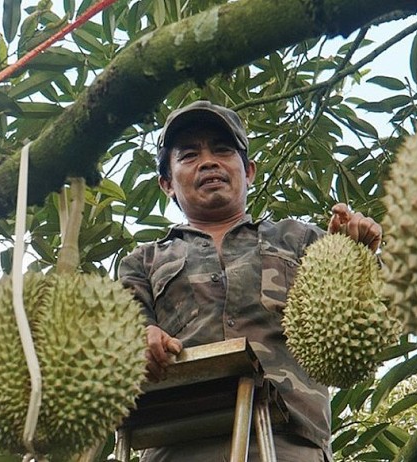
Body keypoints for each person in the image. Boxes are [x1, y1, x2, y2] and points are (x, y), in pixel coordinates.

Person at [118, 100, 382, 462]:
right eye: (189, 155)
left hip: (287, 440)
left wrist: (358, 251)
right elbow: (120, 330)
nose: (208, 161)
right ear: (167, 183)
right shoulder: (142, 262)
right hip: (176, 441)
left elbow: (364, 317)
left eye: (223, 150)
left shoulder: (302, 240)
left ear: (250, 171)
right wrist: (142, 338)